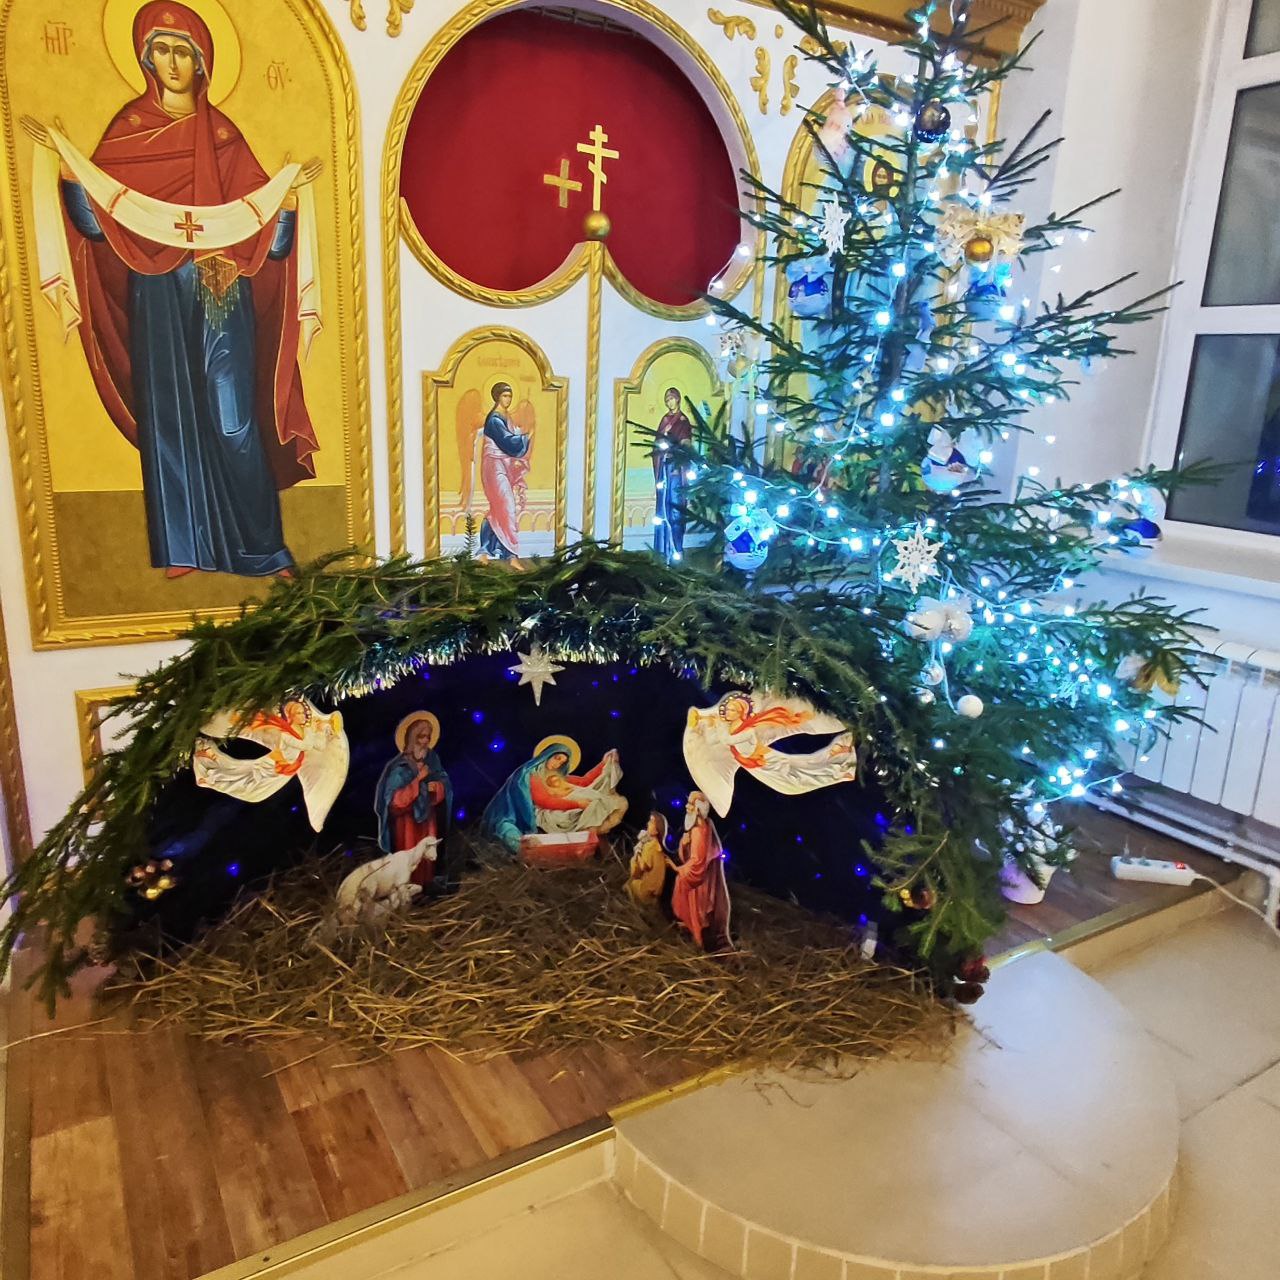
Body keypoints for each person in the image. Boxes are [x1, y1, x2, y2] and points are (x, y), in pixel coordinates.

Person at [22, 1, 321, 579]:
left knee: (233, 418)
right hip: (156, 290)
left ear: (203, 61)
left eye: (184, 50)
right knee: (170, 418)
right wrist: (74, 179)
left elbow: (272, 243)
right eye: (161, 49)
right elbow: (97, 226)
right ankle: (185, 549)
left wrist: (285, 201)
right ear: (145, 58)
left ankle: (263, 547)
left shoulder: (226, 138)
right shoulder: (127, 132)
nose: (173, 61)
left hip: (221, 292)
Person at [482, 737, 626, 854]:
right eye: (557, 758)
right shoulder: (532, 774)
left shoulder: (555, 777)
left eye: (562, 762)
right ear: (547, 755)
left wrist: (604, 763)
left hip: (552, 811)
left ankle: (590, 850)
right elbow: (544, 800)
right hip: (520, 814)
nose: (558, 764)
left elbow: (584, 782)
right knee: (511, 835)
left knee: (593, 804)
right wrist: (577, 804)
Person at [373, 712, 453, 890]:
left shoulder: (433, 760)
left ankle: (426, 887)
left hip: (428, 820)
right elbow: (395, 802)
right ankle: (407, 888)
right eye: (421, 736)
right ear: (411, 738)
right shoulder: (399, 767)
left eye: (428, 737)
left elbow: (445, 785)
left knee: (427, 857)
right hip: (407, 822)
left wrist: (436, 788)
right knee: (408, 859)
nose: (425, 741)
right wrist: (418, 780)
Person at [668, 791, 732, 951]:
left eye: (690, 804)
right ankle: (689, 927)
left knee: (696, 908)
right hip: (700, 875)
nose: (686, 806)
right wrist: (684, 844)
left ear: (698, 809)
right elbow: (689, 857)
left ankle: (698, 941)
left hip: (701, 881)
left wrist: (678, 869)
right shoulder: (696, 827)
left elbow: (697, 863)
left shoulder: (700, 831)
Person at [477, 382, 531, 562]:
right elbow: (507, 441)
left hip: (504, 465)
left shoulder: (506, 417)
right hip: (493, 466)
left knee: (497, 510)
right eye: (505, 396)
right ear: (497, 397)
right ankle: (512, 554)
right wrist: (525, 438)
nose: (508, 399)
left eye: (510, 396)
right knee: (507, 506)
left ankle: (485, 552)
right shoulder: (494, 419)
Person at [652, 386, 694, 562]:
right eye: (667, 400)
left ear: (678, 399)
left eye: (672, 399)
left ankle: (677, 548)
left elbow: (686, 445)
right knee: (663, 508)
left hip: (677, 471)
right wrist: (661, 448)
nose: (669, 402)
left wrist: (676, 450)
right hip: (664, 469)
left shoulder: (683, 421)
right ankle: (662, 549)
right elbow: (657, 443)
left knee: (676, 509)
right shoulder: (664, 420)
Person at [627, 811, 669, 909]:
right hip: (655, 890)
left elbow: (642, 867)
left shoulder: (650, 847)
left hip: (648, 889)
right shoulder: (657, 846)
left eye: (651, 822)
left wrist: (638, 852)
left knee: (630, 885)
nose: (648, 823)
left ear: (657, 830)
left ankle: (636, 908)